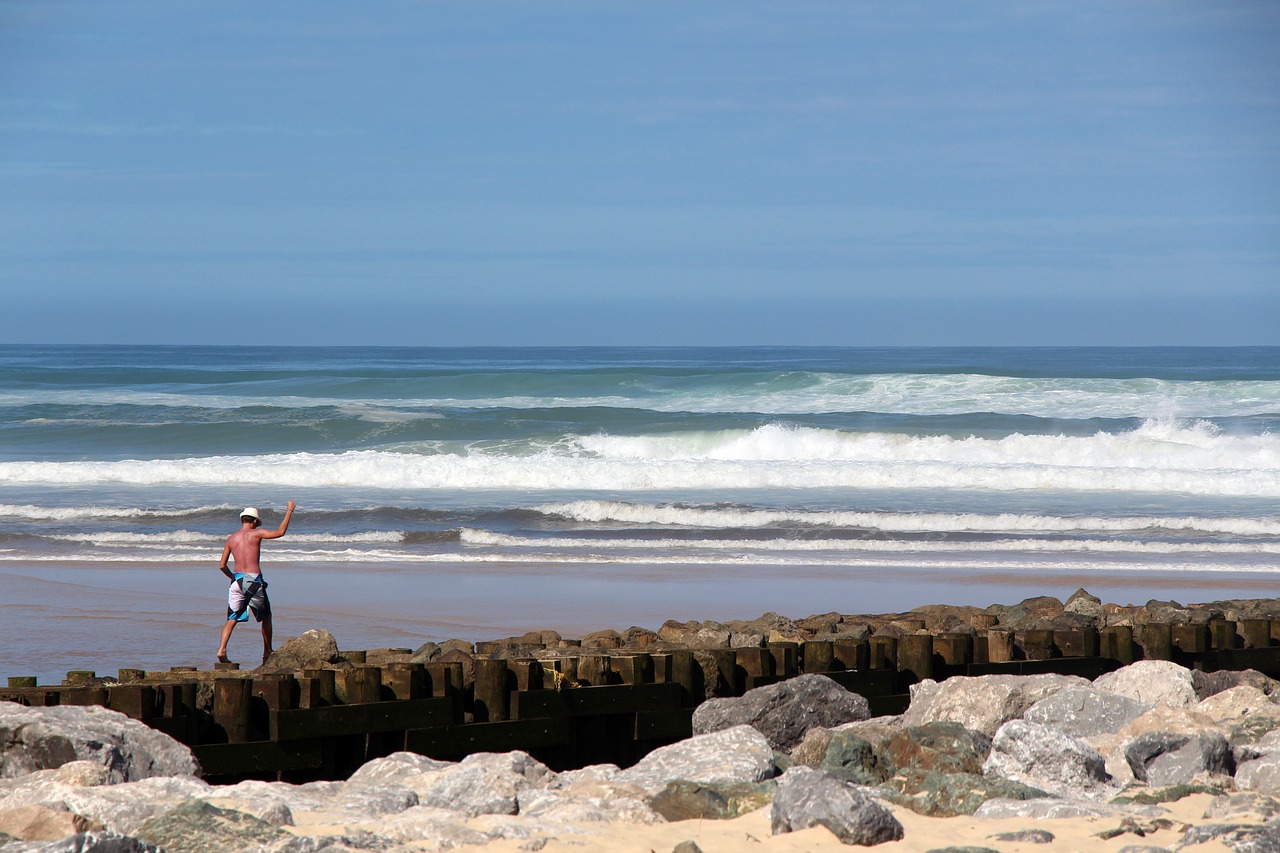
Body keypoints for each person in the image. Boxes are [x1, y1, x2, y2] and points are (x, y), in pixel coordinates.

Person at [216, 501, 296, 665]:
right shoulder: (256, 534)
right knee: (266, 617)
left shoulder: (231, 538)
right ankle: (267, 651)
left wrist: (232, 577)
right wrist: (289, 510)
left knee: (232, 618)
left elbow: (222, 565)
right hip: (253, 580)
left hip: (237, 581)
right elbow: (280, 532)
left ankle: (222, 649)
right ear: (254, 521)